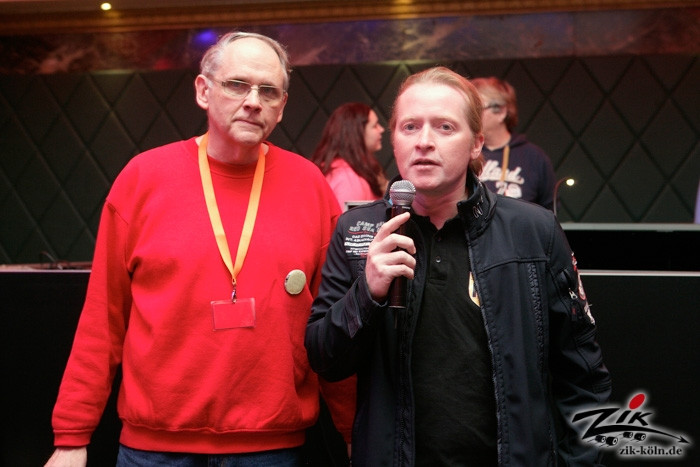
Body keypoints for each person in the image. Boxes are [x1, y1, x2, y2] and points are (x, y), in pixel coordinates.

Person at [45, 31, 353, 467]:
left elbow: (335, 326)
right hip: (155, 450)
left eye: (269, 91)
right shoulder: (143, 179)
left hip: (271, 449)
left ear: (282, 107)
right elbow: (103, 321)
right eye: (236, 84)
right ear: (203, 91)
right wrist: (72, 438)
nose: (253, 100)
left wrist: (354, 430)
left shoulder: (311, 188)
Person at [305, 66, 612, 466]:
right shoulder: (358, 230)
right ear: (394, 140)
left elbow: (584, 377)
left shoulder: (534, 231)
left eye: (445, 127)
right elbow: (325, 360)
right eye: (410, 127)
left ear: (475, 144)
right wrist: (368, 291)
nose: (424, 143)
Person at [471, 76, 557, 210]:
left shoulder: (534, 157)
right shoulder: (466, 152)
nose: (471, 116)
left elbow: (548, 213)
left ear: (501, 112)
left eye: (478, 109)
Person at [310, 102, 388, 209]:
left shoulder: (339, 169)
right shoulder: (348, 178)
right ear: (357, 132)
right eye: (374, 126)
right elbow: (350, 224)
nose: (381, 129)